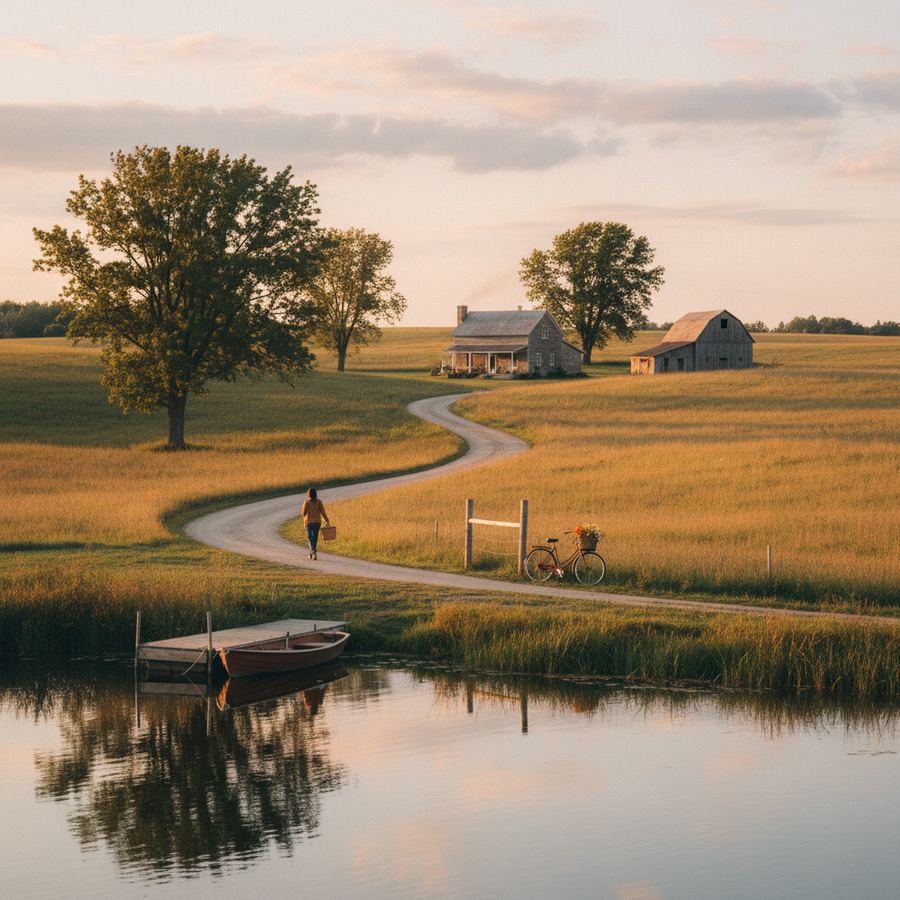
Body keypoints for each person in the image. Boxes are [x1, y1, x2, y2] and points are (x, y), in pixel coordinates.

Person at [301, 487, 330, 560]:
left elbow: (303, 514)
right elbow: (323, 512)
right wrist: (327, 519)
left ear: (309, 494)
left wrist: (305, 509)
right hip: (317, 522)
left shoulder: (306, 502)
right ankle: (311, 553)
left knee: (310, 538)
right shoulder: (319, 502)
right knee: (314, 538)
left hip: (309, 522)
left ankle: (313, 553)